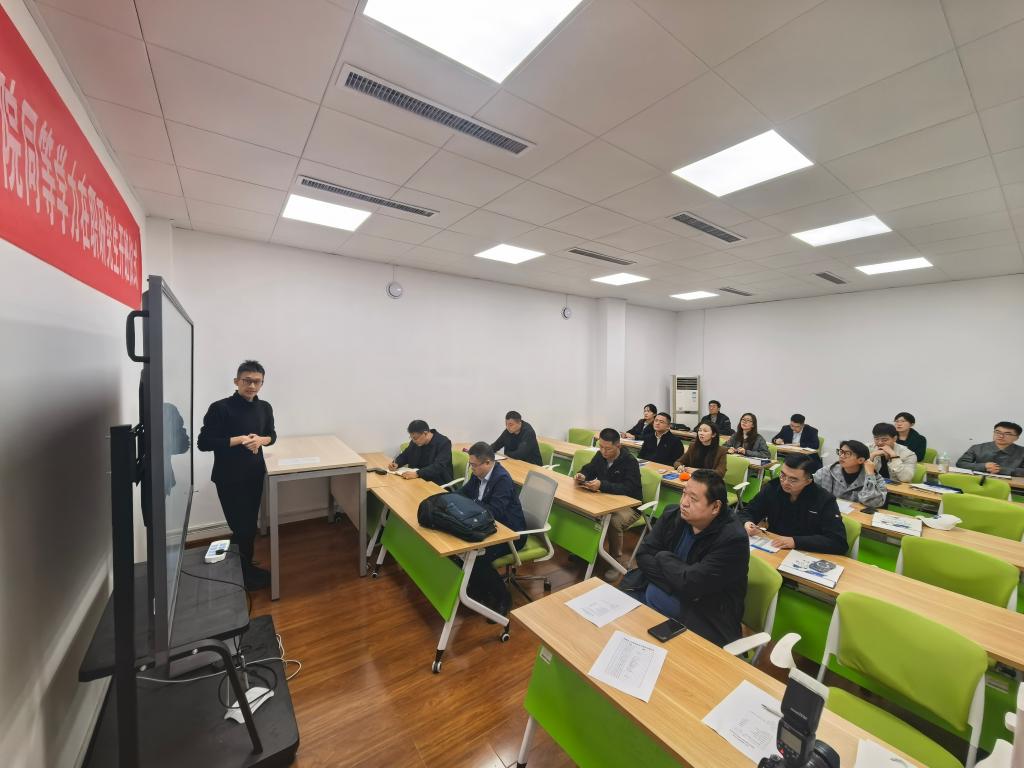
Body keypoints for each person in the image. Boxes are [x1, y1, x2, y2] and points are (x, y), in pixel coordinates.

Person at [620, 470, 748, 647]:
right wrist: (674, 583)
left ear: (715, 507)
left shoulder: (732, 540)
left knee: (653, 600)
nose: (684, 502)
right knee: (623, 620)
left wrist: (663, 557)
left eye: (693, 499)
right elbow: (643, 555)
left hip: (707, 612)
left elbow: (694, 584)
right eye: (684, 493)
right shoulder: (673, 514)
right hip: (672, 595)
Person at [197, 360, 277, 590]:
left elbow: (272, 435)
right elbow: (204, 443)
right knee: (242, 526)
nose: (251, 386)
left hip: (254, 474)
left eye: (257, 382)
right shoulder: (220, 408)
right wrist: (240, 440)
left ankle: (243, 566)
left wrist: (260, 440)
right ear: (236, 381)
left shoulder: (265, 408)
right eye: (247, 381)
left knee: (248, 525)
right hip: (229, 477)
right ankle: (244, 574)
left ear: (262, 384)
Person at [460, 442, 526, 618]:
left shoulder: (502, 479)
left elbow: (495, 512)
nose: (472, 468)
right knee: (462, 551)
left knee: (477, 557)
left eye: (474, 465)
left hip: (511, 533)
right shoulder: (478, 474)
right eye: (470, 464)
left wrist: (472, 503)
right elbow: (464, 492)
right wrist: (449, 498)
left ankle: (503, 597)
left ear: (488, 463)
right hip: (490, 528)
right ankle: (479, 589)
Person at [738, 454, 847, 554]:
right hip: (774, 547)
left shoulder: (824, 500)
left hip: (806, 552)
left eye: (793, 480)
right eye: (783, 475)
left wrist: (795, 541)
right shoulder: (772, 488)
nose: (785, 482)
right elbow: (747, 512)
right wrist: (747, 523)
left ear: (808, 481)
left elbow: (838, 542)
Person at [575, 428, 642, 579]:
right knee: (584, 511)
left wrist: (602, 485)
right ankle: (586, 552)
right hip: (606, 500)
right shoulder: (600, 455)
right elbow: (589, 469)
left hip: (629, 506)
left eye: (608, 449)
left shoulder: (629, 461)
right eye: (601, 447)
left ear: (618, 446)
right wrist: (582, 475)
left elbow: (630, 488)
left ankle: (615, 562)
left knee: (613, 521)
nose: (604, 452)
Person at [813, 440, 887, 508]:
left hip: (857, 516)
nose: (841, 456)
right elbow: (810, 491)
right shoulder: (826, 471)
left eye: (847, 453)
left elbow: (874, 503)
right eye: (841, 452)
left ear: (860, 460)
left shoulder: (876, 478)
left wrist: (870, 475)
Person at [388, 420, 454, 484]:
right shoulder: (416, 442)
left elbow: (439, 466)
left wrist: (417, 474)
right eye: (411, 438)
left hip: (436, 480)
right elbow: (406, 455)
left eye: (415, 438)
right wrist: (397, 463)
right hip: (417, 478)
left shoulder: (443, 443)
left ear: (425, 433)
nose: (413, 441)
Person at [957, 422, 1024, 476]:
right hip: (978, 482)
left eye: (1007, 434)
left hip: (1012, 486)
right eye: (998, 432)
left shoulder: (1022, 451)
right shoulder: (977, 448)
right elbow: (961, 463)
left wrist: (1002, 470)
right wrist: (983, 466)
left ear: (1016, 438)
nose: (1001, 436)